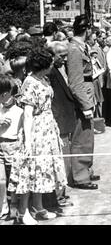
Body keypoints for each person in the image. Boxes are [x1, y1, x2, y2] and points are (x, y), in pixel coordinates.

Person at [8, 47, 67, 225]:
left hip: (47, 130)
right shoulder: (30, 82)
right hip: (36, 131)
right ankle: (23, 211)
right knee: (29, 170)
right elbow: (27, 114)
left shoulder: (44, 79)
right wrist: (27, 140)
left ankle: (39, 207)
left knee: (43, 170)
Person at [66, 15, 99, 190]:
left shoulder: (81, 47)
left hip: (87, 95)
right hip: (82, 99)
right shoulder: (74, 49)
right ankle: (80, 176)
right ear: (87, 30)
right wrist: (85, 105)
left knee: (88, 137)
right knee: (80, 138)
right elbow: (75, 82)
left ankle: (86, 169)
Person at [48, 42, 77, 207]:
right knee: (61, 162)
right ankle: (58, 197)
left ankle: (61, 194)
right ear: (53, 55)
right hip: (59, 121)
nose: (65, 59)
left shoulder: (59, 69)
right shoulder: (50, 73)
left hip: (65, 119)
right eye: (62, 56)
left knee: (65, 160)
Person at [0, 76, 22, 220]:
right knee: (1, 179)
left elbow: (22, 132)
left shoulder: (19, 111)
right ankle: (3, 208)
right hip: (0, 146)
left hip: (14, 146)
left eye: (6, 93)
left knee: (14, 179)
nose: (3, 98)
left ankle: (15, 206)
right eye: (0, 94)